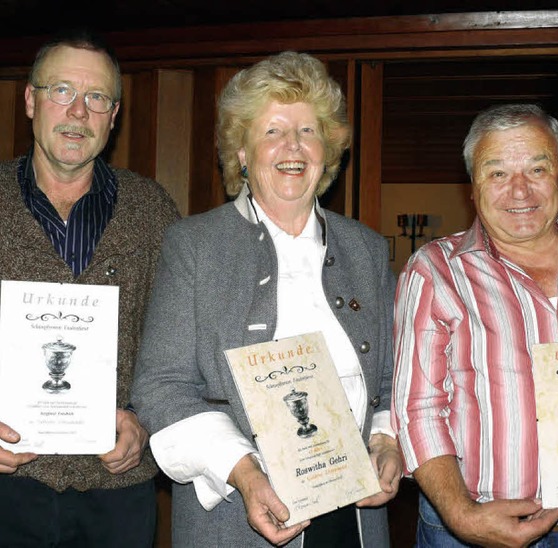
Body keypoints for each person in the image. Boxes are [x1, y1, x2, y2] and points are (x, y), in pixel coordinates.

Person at [131, 50, 402, 547]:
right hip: (236, 517)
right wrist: (245, 472)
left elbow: (389, 378)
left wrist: (386, 439)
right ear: (242, 152)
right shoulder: (194, 245)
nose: (292, 146)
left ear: (328, 149)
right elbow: (161, 387)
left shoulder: (365, 248)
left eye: (307, 130)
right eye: (272, 131)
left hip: (355, 518)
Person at [392, 103, 558, 547]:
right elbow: (417, 408)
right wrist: (460, 514)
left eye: (537, 169)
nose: (519, 190)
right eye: (498, 173)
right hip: (467, 528)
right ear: (473, 187)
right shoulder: (434, 271)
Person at [0, 28, 179, 546]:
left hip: (118, 490)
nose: (78, 112)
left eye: (96, 97)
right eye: (61, 91)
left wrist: (144, 424)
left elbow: (175, 348)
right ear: (31, 100)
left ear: (114, 115)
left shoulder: (153, 212)